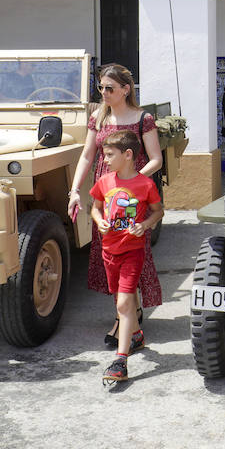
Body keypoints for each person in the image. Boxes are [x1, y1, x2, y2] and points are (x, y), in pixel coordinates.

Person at [68, 63, 163, 346]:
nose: (104, 92)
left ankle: (124, 319)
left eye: (110, 88)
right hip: (104, 196)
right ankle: (127, 313)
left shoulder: (142, 118)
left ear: (126, 89)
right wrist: (74, 191)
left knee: (132, 252)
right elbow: (87, 155)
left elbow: (155, 158)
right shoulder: (98, 117)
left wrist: (130, 182)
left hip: (134, 199)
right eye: (100, 87)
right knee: (110, 254)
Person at [89, 130, 164, 382]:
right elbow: (96, 208)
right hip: (109, 252)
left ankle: (121, 361)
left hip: (133, 251)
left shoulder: (145, 184)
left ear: (128, 155)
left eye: (110, 155)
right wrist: (99, 221)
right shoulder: (104, 182)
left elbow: (158, 211)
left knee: (123, 304)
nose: (105, 160)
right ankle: (137, 335)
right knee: (123, 299)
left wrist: (145, 225)